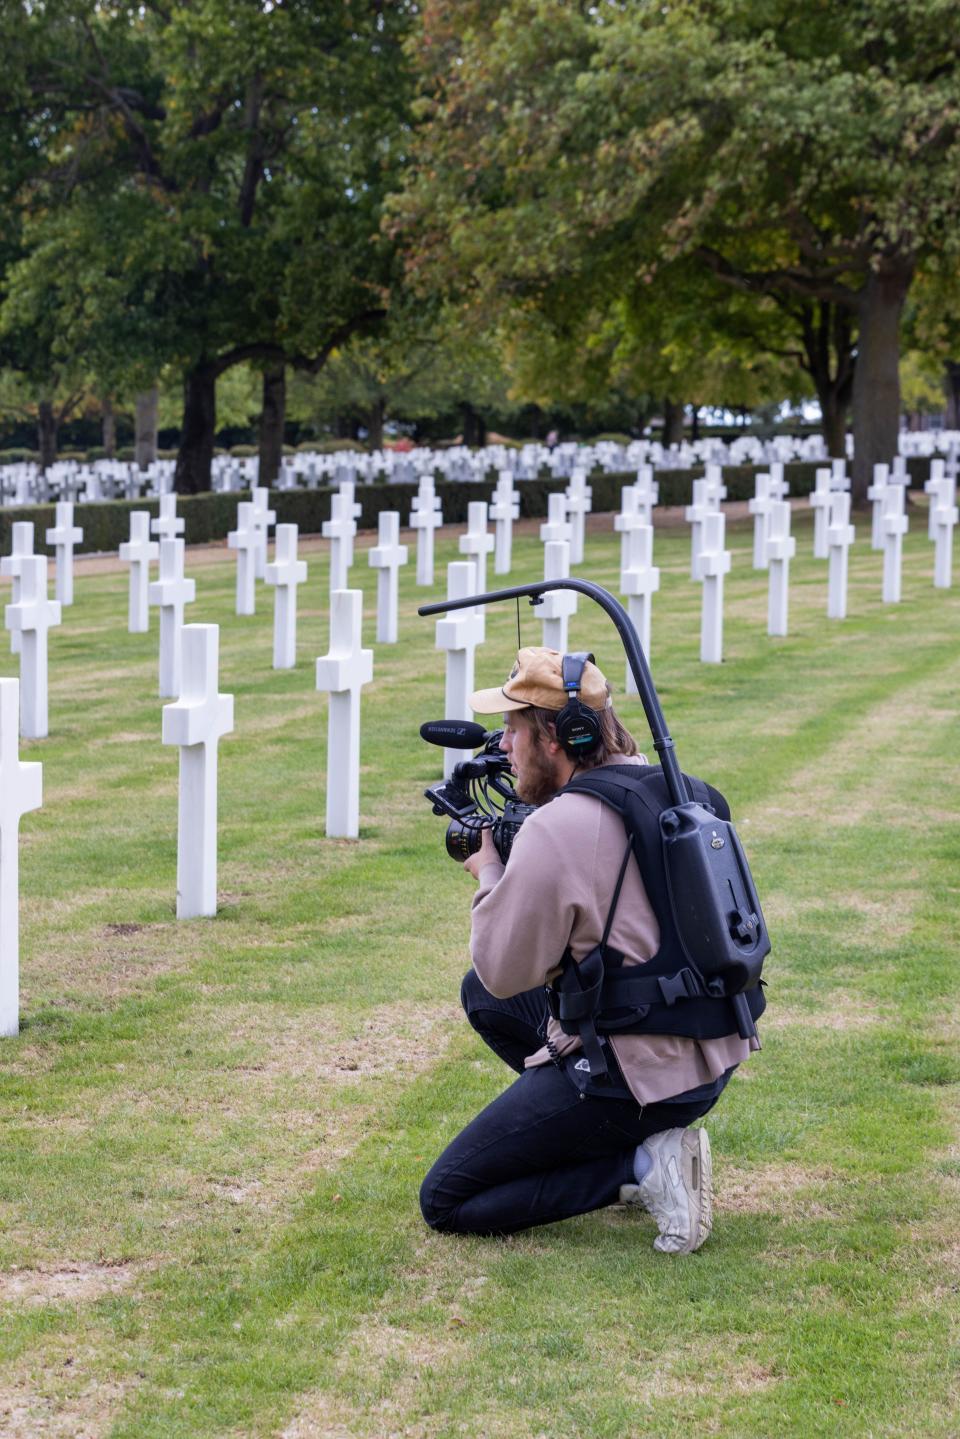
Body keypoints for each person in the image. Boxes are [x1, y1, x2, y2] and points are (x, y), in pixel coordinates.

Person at [419, 646, 760, 1252]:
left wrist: (490, 870)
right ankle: (633, 1140)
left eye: (512, 729)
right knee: (481, 1001)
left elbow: (502, 968)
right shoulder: (676, 789)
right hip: (708, 1052)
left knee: (447, 1198)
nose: (503, 745)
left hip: (638, 1076)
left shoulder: (560, 826)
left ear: (555, 738)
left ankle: (641, 1168)